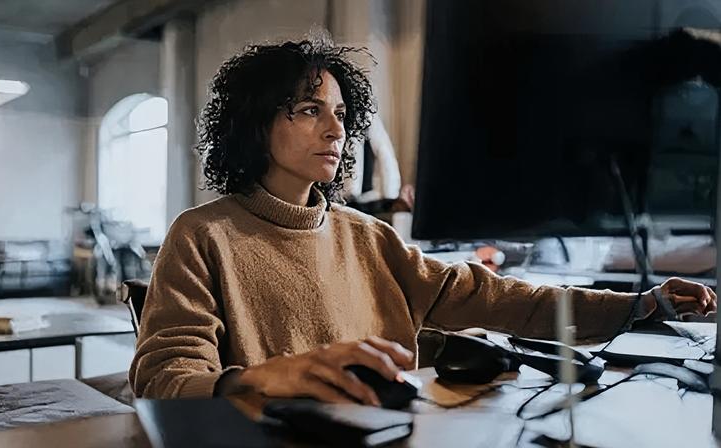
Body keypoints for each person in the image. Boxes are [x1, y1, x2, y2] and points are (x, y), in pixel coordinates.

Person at [129, 35, 716, 406]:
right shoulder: (204, 234)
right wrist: (258, 379)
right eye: (309, 111)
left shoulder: (368, 237)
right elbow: (163, 377)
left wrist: (640, 305)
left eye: (339, 114)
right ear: (255, 125)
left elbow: (506, 299)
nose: (336, 130)